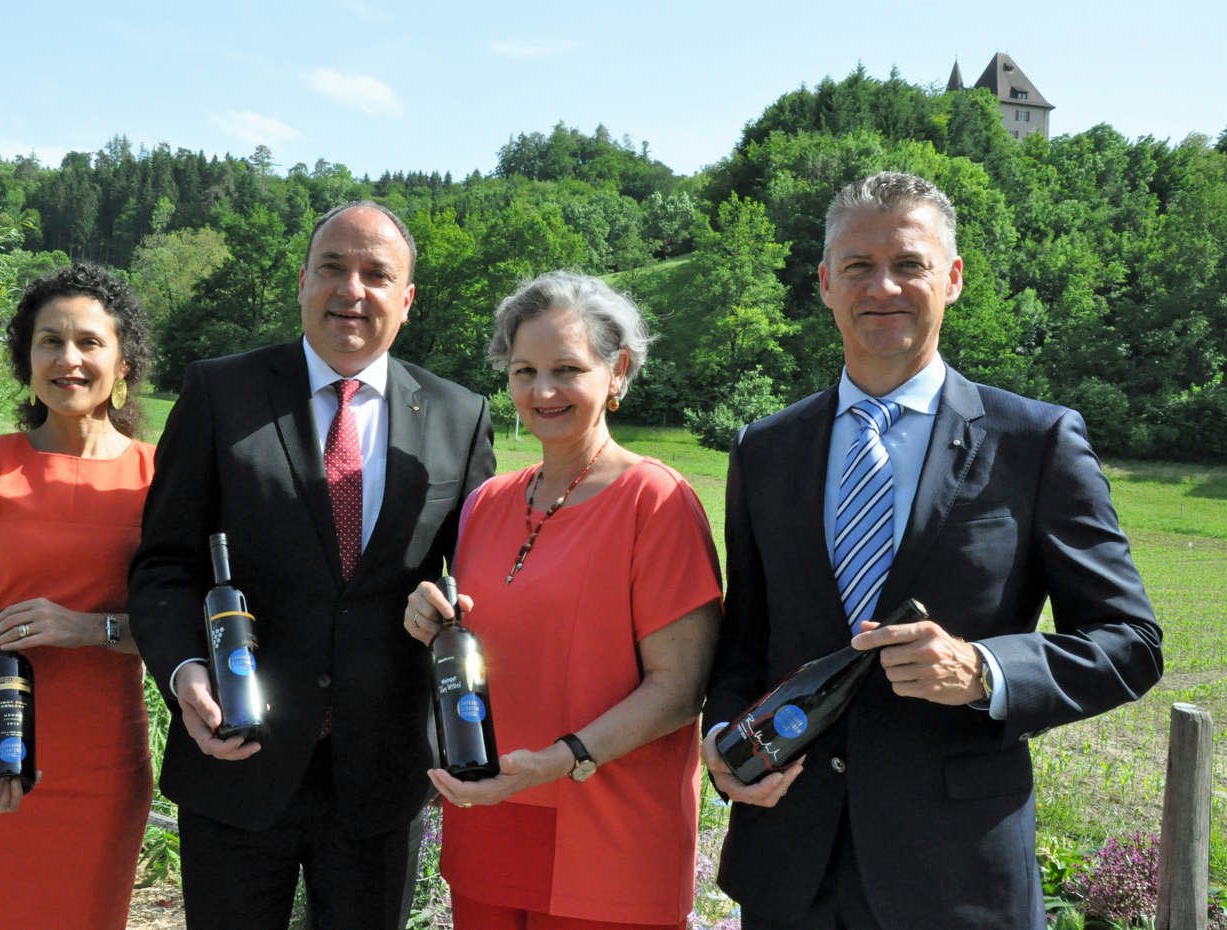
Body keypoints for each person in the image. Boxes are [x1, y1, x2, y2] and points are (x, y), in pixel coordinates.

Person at [700, 171, 1164, 929]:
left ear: (951, 279)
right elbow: (747, 637)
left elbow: (1130, 643)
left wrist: (985, 670)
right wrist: (724, 739)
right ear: (824, 283)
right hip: (792, 869)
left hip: (958, 879)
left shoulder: (1035, 443)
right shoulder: (765, 448)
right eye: (857, 266)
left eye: (909, 264)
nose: (882, 286)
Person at [127, 201, 496, 930]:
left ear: (407, 299)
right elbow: (164, 564)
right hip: (235, 752)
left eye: (376, 274)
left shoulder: (462, 417)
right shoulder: (218, 394)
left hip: (381, 776)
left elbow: (476, 584)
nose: (351, 290)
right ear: (301, 280)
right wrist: (182, 671)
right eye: (332, 267)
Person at [404, 271, 723, 930]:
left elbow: (680, 686)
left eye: (566, 369)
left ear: (618, 371)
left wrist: (560, 760)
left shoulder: (655, 502)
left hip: (609, 837)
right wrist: (428, 621)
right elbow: (480, 648)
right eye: (525, 370)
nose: (542, 391)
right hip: (493, 819)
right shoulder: (487, 503)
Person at [0, 263, 156, 929]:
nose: (68, 359)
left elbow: (183, 626)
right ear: (26, 358)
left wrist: (88, 628)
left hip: (102, 764)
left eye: (89, 342)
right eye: (48, 341)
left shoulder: (159, 476)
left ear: (123, 359)